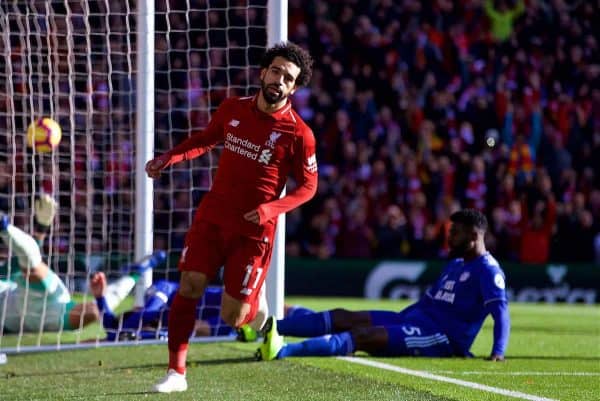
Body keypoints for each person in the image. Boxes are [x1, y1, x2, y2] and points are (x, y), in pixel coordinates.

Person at [145, 41, 316, 393]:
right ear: (263, 73)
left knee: (233, 317)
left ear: (294, 88)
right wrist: (169, 158)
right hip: (214, 216)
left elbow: (308, 187)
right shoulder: (232, 109)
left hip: (254, 231)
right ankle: (177, 373)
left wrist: (271, 208)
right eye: (276, 71)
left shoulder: (299, 134)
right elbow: (206, 140)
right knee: (190, 284)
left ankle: (265, 319)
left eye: (288, 78)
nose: (280, 81)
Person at [257, 209, 510, 362]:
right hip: (412, 321)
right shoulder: (455, 264)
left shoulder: (488, 271)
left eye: (455, 233)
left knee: (362, 337)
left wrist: (498, 351)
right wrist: (402, 318)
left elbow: (500, 313)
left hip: (439, 338)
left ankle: (282, 351)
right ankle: (269, 328)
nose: (449, 236)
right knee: (345, 316)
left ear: (474, 237)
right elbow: (429, 301)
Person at [0, 195, 138, 333]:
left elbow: (24, 260)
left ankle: (4, 225)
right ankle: (4, 226)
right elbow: (26, 259)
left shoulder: (8, 273)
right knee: (94, 309)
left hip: (27, 303)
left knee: (33, 266)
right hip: (44, 305)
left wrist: (41, 229)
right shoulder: (61, 308)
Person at [90, 269, 269, 341]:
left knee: (142, 322)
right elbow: (195, 327)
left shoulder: (229, 324)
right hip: (168, 294)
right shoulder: (164, 322)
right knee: (146, 318)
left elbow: (197, 327)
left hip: (168, 314)